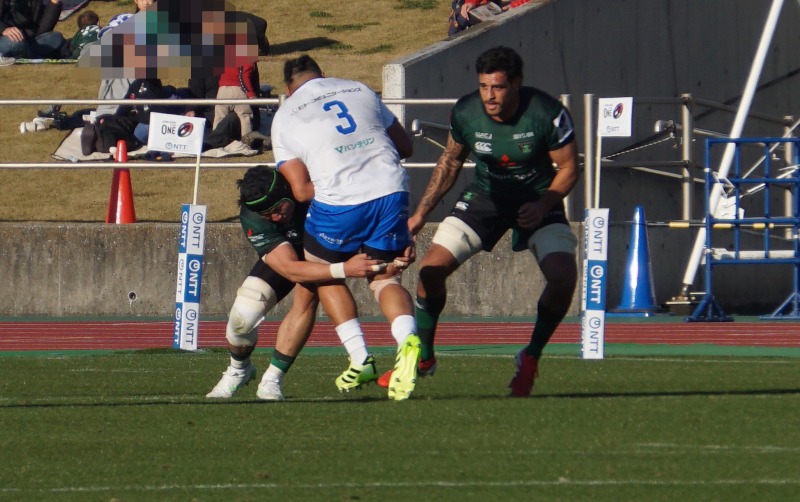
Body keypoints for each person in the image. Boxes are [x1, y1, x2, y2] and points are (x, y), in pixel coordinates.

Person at [391, 46, 580, 397]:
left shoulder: (547, 112)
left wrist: (543, 205)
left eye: (498, 87)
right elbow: (450, 161)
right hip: (485, 199)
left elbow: (569, 167)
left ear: (517, 84)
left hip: (537, 199)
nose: (489, 96)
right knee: (430, 270)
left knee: (563, 277)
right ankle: (425, 357)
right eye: (483, 87)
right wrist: (420, 215)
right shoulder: (466, 111)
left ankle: (531, 355)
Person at [272, 54, 422, 401]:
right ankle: (407, 338)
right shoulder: (359, 88)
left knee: (324, 271)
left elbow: (301, 191)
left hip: (340, 202)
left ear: (288, 89)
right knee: (385, 278)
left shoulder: (285, 115)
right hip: (391, 189)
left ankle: (359, 357)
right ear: (323, 74)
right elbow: (405, 146)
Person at [206, 166, 387, 400]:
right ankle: (239, 369)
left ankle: (272, 379)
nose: (274, 218)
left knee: (306, 299)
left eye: (277, 210)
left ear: (288, 192)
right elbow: (290, 269)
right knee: (243, 315)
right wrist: (345, 269)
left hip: (326, 245)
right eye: (267, 215)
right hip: (290, 253)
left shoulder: (314, 189)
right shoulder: (253, 215)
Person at [0, 0, 64, 59]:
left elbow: (41, 31)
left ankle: (27, 54)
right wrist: (4, 29)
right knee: (15, 43)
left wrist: (54, 3)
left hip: (28, 40)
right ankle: (32, 56)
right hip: (7, 40)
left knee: (56, 37)